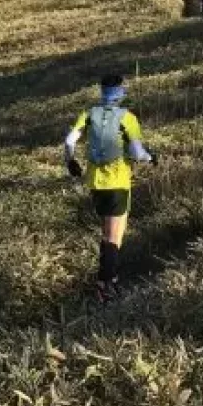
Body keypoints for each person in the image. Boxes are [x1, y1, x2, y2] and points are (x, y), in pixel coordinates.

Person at [64, 76, 156, 302]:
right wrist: (151, 157)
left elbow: (69, 141)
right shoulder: (128, 117)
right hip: (118, 182)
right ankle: (106, 287)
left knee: (106, 233)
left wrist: (71, 163)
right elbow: (136, 153)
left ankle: (105, 282)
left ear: (102, 91)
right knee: (114, 236)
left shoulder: (88, 114)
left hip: (95, 183)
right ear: (120, 91)